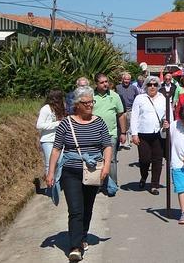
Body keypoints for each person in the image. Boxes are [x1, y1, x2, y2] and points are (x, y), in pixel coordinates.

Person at [46, 86, 112, 261]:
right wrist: (51, 172)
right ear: (76, 104)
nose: (90, 105)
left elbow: (107, 145)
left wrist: (106, 166)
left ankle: (82, 236)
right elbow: (56, 149)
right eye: (86, 102)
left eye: (92, 102)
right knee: (75, 210)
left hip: (93, 171)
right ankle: (75, 246)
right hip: (71, 172)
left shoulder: (99, 122)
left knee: (87, 208)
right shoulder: (65, 124)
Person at [130, 76, 172, 195]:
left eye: (155, 85)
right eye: (149, 84)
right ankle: (144, 176)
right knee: (144, 159)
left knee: (157, 159)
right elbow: (134, 116)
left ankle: (154, 184)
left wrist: (168, 125)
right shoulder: (140, 98)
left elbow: (169, 115)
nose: (152, 87)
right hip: (143, 133)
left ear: (158, 86)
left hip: (158, 133)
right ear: (146, 86)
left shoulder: (163, 98)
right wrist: (134, 134)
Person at [92, 73, 126, 185]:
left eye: (106, 81)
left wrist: (123, 133)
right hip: (94, 134)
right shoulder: (90, 96)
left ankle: (112, 185)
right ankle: (97, 184)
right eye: (102, 82)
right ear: (96, 84)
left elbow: (121, 115)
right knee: (96, 160)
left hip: (111, 134)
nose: (105, 84)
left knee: (111, 160)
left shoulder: (115, 96)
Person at [36, 90, 66, 177]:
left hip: (60, 139)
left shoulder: (62, 108)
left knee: (60, 163)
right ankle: (50, 187)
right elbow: (39, 125)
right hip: (48, 140)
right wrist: (56, 124)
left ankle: (57, 185)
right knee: (50, 164)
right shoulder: (45, 109)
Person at [116, 72, 141, 150]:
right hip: (120, 111)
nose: (126, 81)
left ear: (130, 80)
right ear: (122, 80)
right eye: (125, 79)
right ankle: (121, 142)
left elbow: (137, 98)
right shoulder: (118, 87)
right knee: (121, 126)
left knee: (129, 127)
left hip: (130, 110)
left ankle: (127, 142)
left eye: (128, 79)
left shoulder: (133, 88)